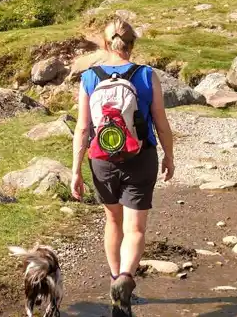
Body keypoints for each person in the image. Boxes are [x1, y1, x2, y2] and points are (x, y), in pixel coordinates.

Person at [70, 17, 175, 316]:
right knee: (136, 227)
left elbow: (82, 128)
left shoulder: (90, 78)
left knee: (113, 221)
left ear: (106, 44)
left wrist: (76, 169)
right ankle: (127, 278)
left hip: (102, 160)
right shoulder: (146, 75)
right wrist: (169, 155)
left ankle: (115, 278)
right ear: (132, 44)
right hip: (140, 157)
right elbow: (161, 122)